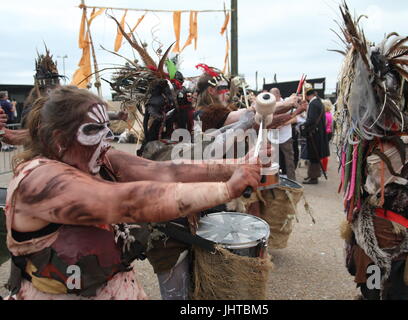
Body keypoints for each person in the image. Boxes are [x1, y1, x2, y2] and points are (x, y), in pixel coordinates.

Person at [3, 86, 261, 300]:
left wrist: (239, 167)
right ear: (59, 138)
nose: (107, 139)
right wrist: (225, 189)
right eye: (93, 130)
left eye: (106, 128)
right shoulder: (38, 180)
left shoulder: (100, 160)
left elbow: (166, 172)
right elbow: (126, 201)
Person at [335, 3, 408, 300]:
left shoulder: (369, 135)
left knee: (378, 287)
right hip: (387, 234)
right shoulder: (386, 145)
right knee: (387, 288)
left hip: (382, 230)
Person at [299, 88, 330, 184]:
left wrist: (303, 125)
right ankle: (311, 175)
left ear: (309, 96)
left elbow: (311, 119)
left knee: (314, 156)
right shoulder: (319, 102)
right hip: (317, 133)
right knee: (314, 156)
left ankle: (313, 177)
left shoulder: (313, 104)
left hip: (314, 134)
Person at [320, 99, 333, 173]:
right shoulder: (329, 114)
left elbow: (323, 125)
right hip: (328, 133)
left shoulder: (324, 115)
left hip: (325, 133)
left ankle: (323, 168)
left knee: (323, 152)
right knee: (325, 151)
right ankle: (323, 168)